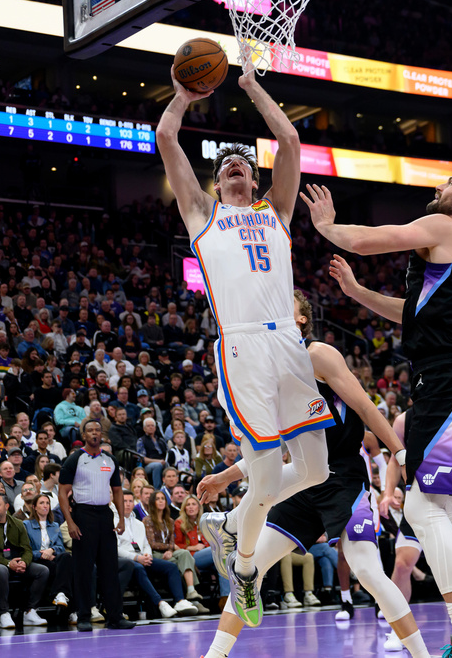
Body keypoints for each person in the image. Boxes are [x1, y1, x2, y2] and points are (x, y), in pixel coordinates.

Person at [305, 172, 452, 656]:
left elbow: (371, 240)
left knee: (424, 507)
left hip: (447, 382)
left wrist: (328, 227)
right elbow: (412, 312)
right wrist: (358, 293)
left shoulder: (447, 227)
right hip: (444, 381)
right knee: (439, 506)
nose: (439, 187)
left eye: (450, 182)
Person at [158, 58, 334, 627]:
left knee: (315, 471)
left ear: (254, 180)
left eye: (243, 164)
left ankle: (233, 528)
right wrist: (185, 95)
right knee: (262, 477)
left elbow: (289, 137)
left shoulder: (277, 213)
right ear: (216, 183)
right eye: (227, 164)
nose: (236, 166)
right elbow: (165, 136)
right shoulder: (202, 214)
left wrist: (253, 87)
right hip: (240, 348)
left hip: (286, 339)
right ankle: (247, 567)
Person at [198, 292, 435, 658]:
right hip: (302, 480)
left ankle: (422, 655)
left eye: (285, 309)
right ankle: (214, 655)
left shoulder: (317, 355)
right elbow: (272, 447)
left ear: (302, 319)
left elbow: (363, 407)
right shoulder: (272, 371)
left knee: (369, 572)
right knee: (251, 572)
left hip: (343, 479)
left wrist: (399, 452)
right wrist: (227, 476)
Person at [58, 419, 134, 631]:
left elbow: (117, 491)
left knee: (109, 568)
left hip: (104, 515)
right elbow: (62, 492)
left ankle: (116, 617)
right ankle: (84, 616)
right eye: (90, 430)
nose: (94, 433)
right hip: (83, 515)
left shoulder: (110, 459)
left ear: (102, 435)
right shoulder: (75, 459)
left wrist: (120, 518)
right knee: (83, 569)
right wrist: (70, 521)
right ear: (84, 434)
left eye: (97, 430)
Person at [116, 489, 198, 619]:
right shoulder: (114, 521)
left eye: (130, 501)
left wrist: (147, 555)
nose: (127, 504)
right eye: (124, 501)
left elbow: (146, 544)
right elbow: (116, 549)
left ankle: (180, 601)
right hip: (125, 560)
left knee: (170, 567)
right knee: (138, 567)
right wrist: (137, 557)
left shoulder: (138, 523)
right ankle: (160, 603)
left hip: (143, 557)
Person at [0, 492, 49, 629]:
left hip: (16, 562)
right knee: (2, 570)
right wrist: (8, 563)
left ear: (7, 506)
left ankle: (30, 611)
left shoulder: (18, 524)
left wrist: (24, 563)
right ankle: (4, 613)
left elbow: (27, 549)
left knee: (42, 571)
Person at [24, 494, 76, 621]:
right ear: (34, 507)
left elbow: (60, 547)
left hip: (53, 558)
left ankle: (61, 595)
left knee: (67, 558)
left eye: (47, 503)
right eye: (41, 503)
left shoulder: (54, 525)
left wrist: (51, 550)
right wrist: (42, 554)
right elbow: (26, 549)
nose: (45, 506)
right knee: (67, 570)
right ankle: (71, 608)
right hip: (37, 560)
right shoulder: (26, 525)